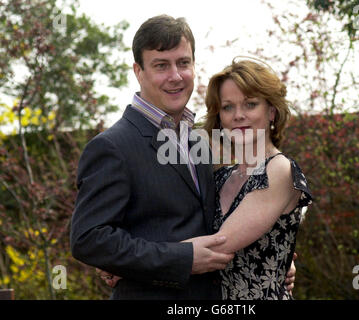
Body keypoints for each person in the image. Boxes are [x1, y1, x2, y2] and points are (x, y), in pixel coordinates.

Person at [72, 14, 297, 300]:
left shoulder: (200, 141)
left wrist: (277, 255)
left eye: (183, 63)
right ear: (138, 71)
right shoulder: (113, 147)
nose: (175, 76)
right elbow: (88, 239)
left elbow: (229, 218)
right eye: (161, 65)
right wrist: (173, 258)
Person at [200, 59, 313, 299]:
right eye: (228, 107)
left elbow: (218, 245)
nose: (238, 115)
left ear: (271, 111)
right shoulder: (219, 177)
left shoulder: (280, 170)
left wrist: (131, 264)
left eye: (250, 104)